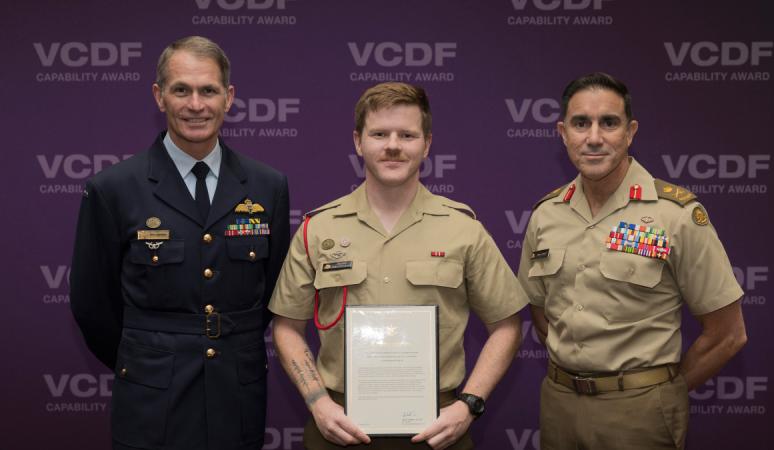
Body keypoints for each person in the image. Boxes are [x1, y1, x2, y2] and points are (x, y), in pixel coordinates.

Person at [269, 82, 527, 450]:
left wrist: (468, 404)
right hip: (339, 427)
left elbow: (507, 325)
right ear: (358, 141)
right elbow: (287, 327)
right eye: (379, 134)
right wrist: (318, 402)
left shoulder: (464, 229)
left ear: (427, 144)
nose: (393, 145)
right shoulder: (318, 229)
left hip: (439, 428)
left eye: (407, 135)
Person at [69, 36, 290, 450]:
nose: (196, 104)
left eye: (209, 90)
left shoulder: (268, 186)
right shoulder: (114, 188)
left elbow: (273, 294)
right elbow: (91, 303)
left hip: (236, 396)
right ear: (159, 96)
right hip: (151, 398)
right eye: (181, 90)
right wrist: (146, 358)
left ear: (229, 97)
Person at [517, 72, 747, 450]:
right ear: (563, 133)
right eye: (580, 123)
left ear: (630, 132)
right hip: (559, 405)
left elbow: (728, 334)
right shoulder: (546, 214)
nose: (594, 137)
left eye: (609, 123)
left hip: (640, 413)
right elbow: (541, 312)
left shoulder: (674, 215)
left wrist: (662, 392)